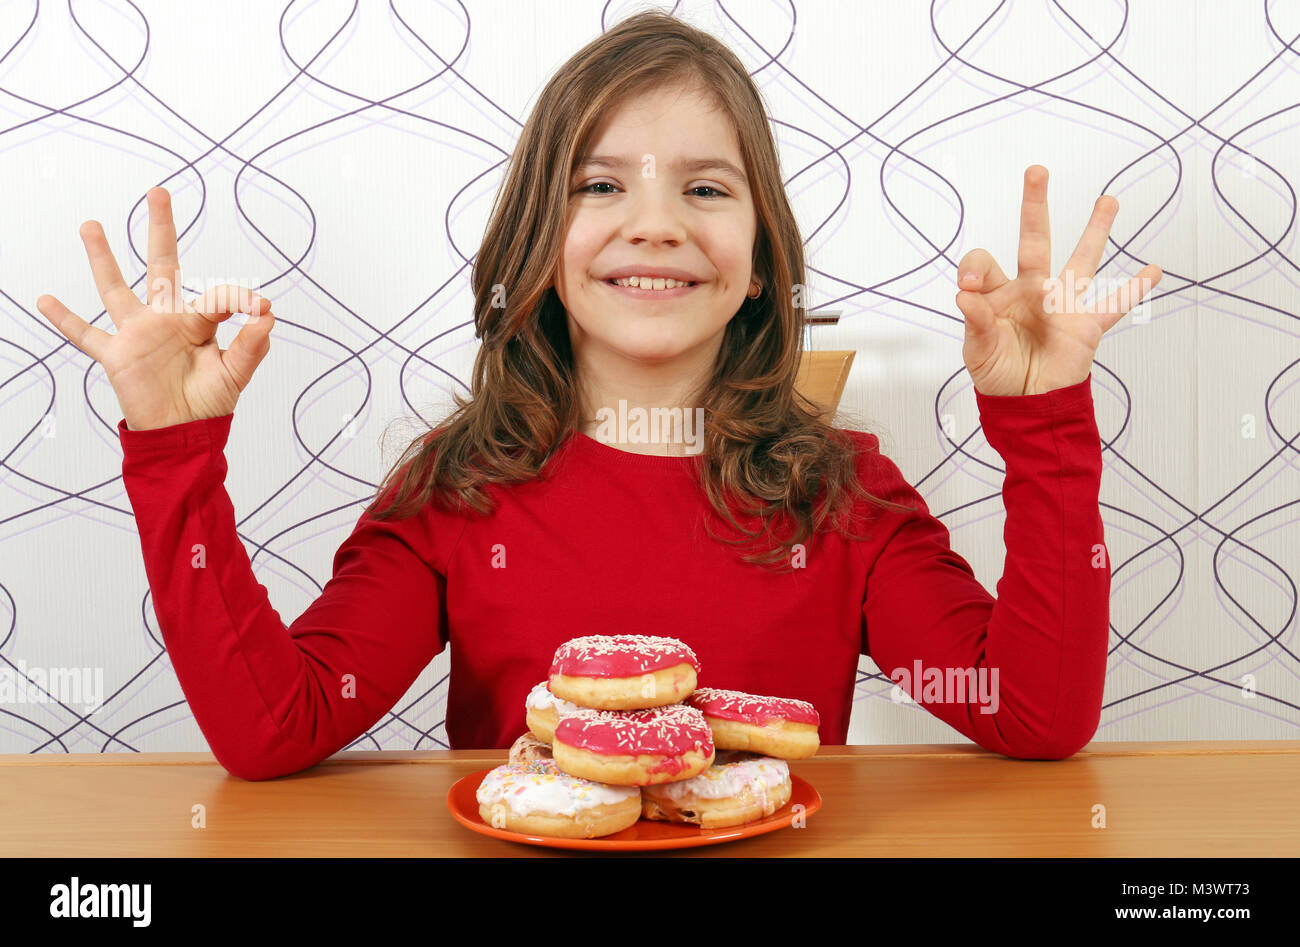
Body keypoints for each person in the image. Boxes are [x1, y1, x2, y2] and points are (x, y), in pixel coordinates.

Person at [36, 11, 1160, 781]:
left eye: (706, 188)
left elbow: (1032, 715)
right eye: (601, 185)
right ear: (541, 241)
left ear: (761, 255)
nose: (656, 222)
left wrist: (1045, 420)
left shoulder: (842, 491)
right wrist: (176, 450)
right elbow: (278, 728)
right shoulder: (454, 490)